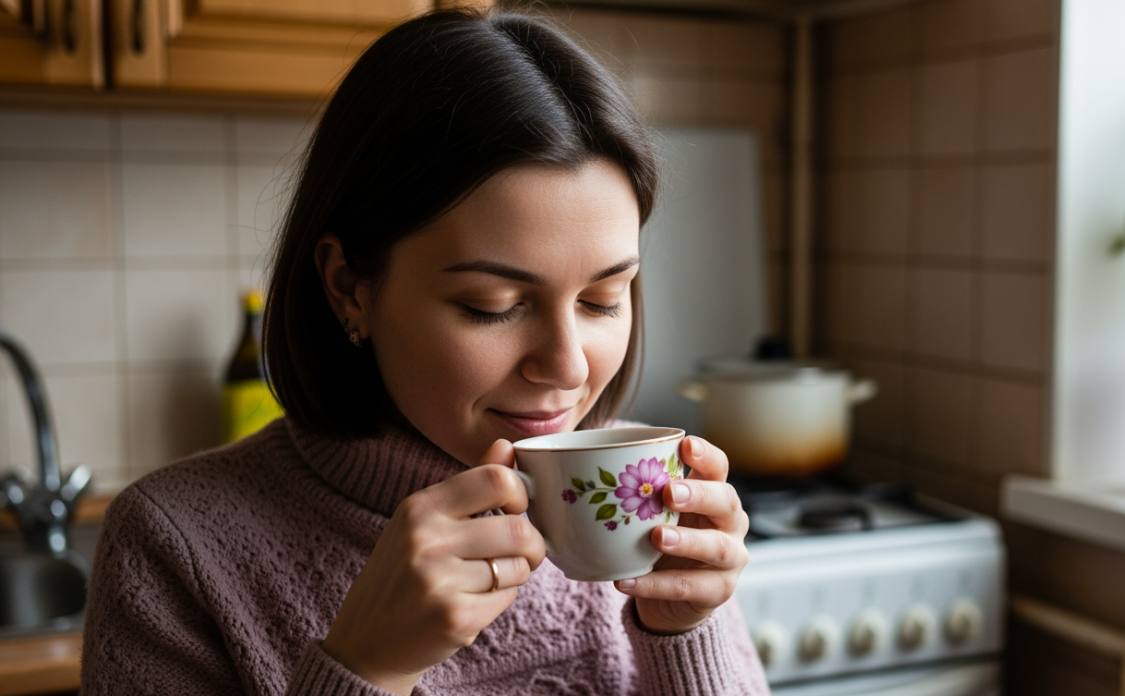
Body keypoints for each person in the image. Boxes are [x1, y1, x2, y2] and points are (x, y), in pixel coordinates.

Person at [81, 7, 767, 696]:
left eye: (603, 299)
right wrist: (363, 669)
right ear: (349, 287)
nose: (568, 367)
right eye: (492, 307)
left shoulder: (637, 498)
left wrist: (687, 635)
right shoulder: (171, 545)